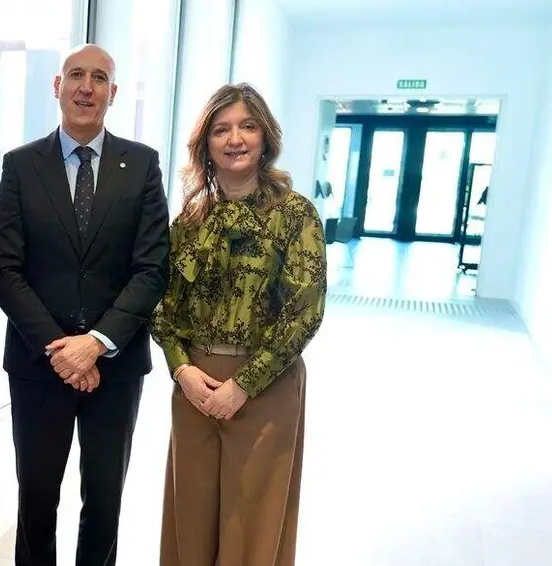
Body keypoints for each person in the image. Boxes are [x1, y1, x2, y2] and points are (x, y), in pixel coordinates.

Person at [0, 44, 171, 565]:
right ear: (57, 86)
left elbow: (152, 267)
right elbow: (5, 269)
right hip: (38, 364)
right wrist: (60, 348)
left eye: (99, 78)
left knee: (105, 501)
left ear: (114, 92)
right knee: (36, 500)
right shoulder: (21, 165)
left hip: (116, 365)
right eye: (75, 75)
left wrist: (96, 343)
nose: (86, 87)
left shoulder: (142, 165)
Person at [150, 83, 328, 566]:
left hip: (265, 386)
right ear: (205, 144)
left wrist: (243, 384)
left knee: (251, 522)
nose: (235, 139)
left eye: (247, 127)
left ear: (265, 137)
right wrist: (181, 370)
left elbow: (305, 311)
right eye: (221, 129)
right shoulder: (190, 219)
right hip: (195, 385)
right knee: (190, 517)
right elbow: (161, 303)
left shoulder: (295, 214)